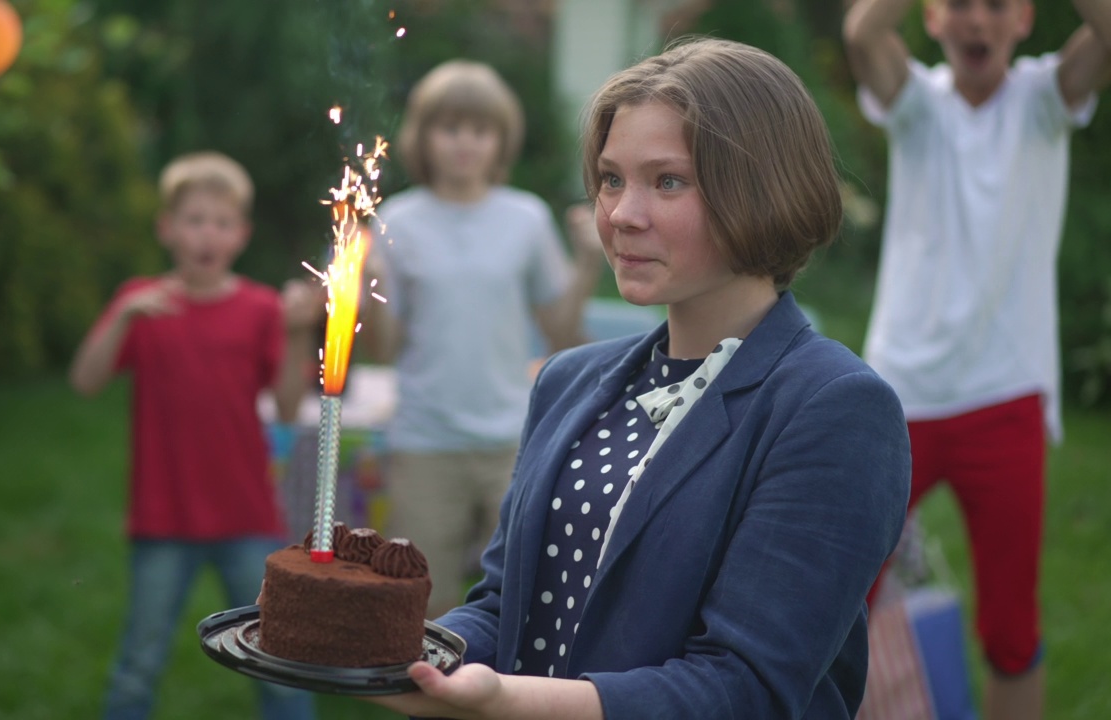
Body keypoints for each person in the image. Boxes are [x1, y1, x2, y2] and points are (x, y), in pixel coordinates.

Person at [367, 38, 912, 719]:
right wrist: (388, 654)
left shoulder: (833, 408)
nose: (621, 213)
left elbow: (747, 690)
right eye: (612, 178)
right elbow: (507, 609)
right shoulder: (569, 381)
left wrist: (505, 701)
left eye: (668, 181)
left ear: (763, 186)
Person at [842, 1, 1111, 717]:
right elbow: (863, 30)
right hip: (900, 394)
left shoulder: (1043, 99)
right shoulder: (917, 104)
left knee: (1011, 630)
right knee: (836, 602)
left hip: (1006, 396)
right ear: (932, 19)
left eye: (995, 5)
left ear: (1023, 20)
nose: (976, 22)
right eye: (958, 4)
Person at [69, 151, 317, 720]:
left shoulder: (259, 309)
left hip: (247, 517)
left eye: (222, 222)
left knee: (278, 663)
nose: (208, 233)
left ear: (242, 235)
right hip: (164, 519)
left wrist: (298, 334)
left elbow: (285, 408)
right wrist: (124, 316)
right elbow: (84, 381)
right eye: (195, 219)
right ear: (167, 228)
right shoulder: (144, 302)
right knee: (139, 662)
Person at [361, 59, 607, 618]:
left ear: (502, 140)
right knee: (421, 603)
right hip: (424, 440)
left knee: (525, 594)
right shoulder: (398, 219)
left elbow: (559, 333)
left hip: (513, 441)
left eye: (480, 129)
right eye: (450, 128)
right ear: (423, 136)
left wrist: (589, 264)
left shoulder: (525, 218)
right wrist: (371, 288)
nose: (465, 142)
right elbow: (383, 349)